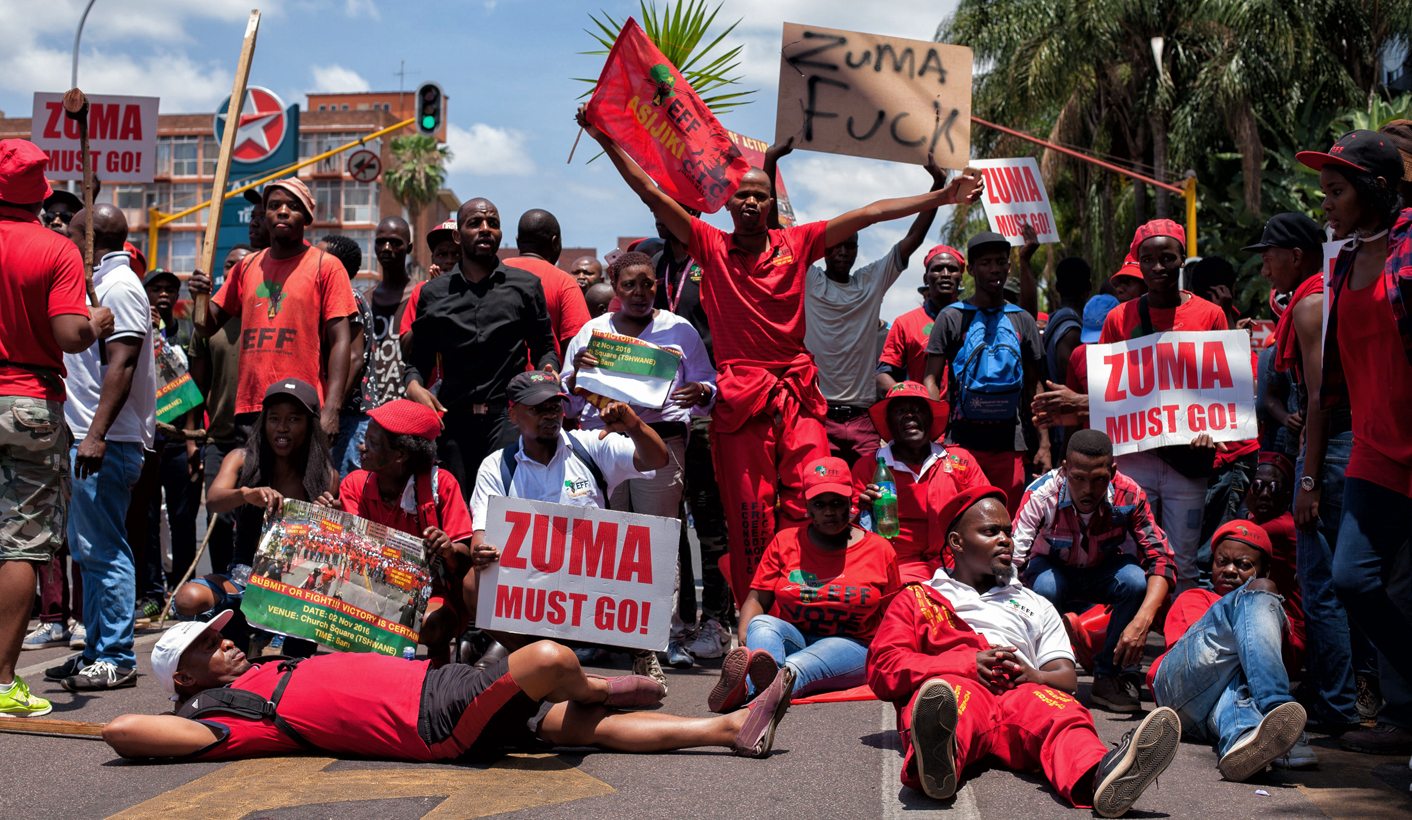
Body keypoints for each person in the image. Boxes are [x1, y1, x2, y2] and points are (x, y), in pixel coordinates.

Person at [580, 106, 984, 612]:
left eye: (759, 195)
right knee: (749, 515)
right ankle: (758, 617)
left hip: (796, 394)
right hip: (740, 401)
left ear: (771, 204)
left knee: (816, 492)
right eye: (742, 195)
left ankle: (810, 599)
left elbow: (873, 212)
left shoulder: (799, 241)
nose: (749, 201)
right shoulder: (710, 245)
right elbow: (651, 194)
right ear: (729, 205)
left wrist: (942, 196)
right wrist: (605, 137)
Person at [99, 612, 796, 762]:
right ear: (185, 678)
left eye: (220, 632)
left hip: (446, 686)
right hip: (433, 722)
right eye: (205, 646)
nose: (226, 640)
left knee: (580, 734)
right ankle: (597, 686)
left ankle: (724, 730)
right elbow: (120, 731)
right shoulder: (230, 707)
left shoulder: (267, 664)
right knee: (548, 657)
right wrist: (189, 709)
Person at [866, 485, 1181, 816]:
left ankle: (1102, 774)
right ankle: (938, 762)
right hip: (961, 686)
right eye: (990, 531)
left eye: (1007, 531)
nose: (1005, 539)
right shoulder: (917, 598)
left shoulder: (1036, 603)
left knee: (1063, 713)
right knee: (947, 701)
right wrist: (967, 662)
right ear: (957, 543)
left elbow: (1067, 679)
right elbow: (883, 666)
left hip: (1022, 693)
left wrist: (1035, 676)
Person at [1301, 129, 1412, 755]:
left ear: (1373, 188)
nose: (1326, 204)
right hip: (1373, 446)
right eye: (1324, 193)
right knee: (1352, 579)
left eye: (1336, 191)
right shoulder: (1341, 260)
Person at [560, 251, 716, 667]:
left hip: (659, 444)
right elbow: (569, 402)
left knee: (658, 540)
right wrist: (577, 373)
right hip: (601, 446)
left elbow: (708, 382)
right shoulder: (591, 333)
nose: (639, 292)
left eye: (647, 283)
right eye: (629, 284)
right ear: (614, 285)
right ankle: (603, 633)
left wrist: (701, 392)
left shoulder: (678, 330)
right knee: (604, 540)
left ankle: (665, 635)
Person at [468, 371, 670, 683]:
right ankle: (541, 665)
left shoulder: (591, 446)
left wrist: (633, 424)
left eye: (555, 406)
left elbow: (657, 458)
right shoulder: (497, 465)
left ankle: (640, 652)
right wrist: (481, 551)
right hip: (532, 590)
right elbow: (480, 535)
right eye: (538, 408)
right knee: (473, 583)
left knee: (640, 557)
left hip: (591, 591)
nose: (550, 415)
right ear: (513, 414)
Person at [1253, 211, 1368, 733]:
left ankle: (1336, 705)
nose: (1264, 268)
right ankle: (1345, 693)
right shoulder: (1324, 291)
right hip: (1344, 444)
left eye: (1268, 255)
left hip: (1332, 449)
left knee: (1320, 582)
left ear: (1295, 256)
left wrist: (1308, 478)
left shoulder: (1310, 302)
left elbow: (1320, 398)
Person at [0, 139, 99, 716]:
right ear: (39, 196)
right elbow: (69, 335)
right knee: (18, 545)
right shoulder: (54, 248)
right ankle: (4, 680)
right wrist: (95, 320)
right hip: (27, 400)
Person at [47, 204, 155, 693]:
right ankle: (95, 650)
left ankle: (116, 655)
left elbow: (123, 364)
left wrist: (95, 435)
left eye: (70, 232)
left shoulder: (121, 287)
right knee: (89, 550)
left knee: (106, 549)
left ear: (88, 238)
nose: (63, 239)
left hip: (106, 442)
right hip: (92, 439)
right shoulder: (99, 285)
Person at [787, 143, 950, 466]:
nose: (844, 252)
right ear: (823, 249)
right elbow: (776, 231)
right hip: (817, 412)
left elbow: (911, 240)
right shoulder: (809, 278)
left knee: (871, 498)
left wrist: (938, 187)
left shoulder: (870, 282)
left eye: (851, 246)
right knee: (821, 499)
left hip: (862, 417)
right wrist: (772, 160)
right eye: (836, 246)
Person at [1097, 220, 1228, 592]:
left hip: (1188, 459)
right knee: (1132, 557)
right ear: (1137, 262)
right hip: (1135, 457)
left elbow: (1221, 386)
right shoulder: (1117, 319)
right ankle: (1133, 638)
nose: (1158, 267)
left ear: (1182, 259)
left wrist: (1213, 429)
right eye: (1148, 258)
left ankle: (1179, 641)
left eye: (1167, 258)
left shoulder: (1210, 316)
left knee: (1184, 560)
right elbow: (1107, 390)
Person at [712, 456, 899, 708]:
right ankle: (757, 690)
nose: (829, 511)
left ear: (850, 502)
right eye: (820, 504)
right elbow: (756, 600)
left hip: (853, 647)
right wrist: (746, 640)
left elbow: (894, 617)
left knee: (796, 666)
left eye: (837, 503)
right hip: (797, 637)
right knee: (762, 624)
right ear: (808, 507)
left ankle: (748, 692)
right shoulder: (785, 541)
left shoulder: (880, 550)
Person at [1012, 429, 1176, 712]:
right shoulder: (1040, 495)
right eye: (1078, 478)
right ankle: (1049, 674)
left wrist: (1143, 620)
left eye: (1099, 479)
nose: (1088, 490)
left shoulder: (1130, 494)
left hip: (1102, 573)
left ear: (1112, 471)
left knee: (1135, 580)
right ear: (1064, 470)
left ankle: (1108, 676)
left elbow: (1160, 558)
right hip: (1051, 575)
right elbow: (1012, 563)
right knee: (1044, 586)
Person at [404, 198, 559, 496]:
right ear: (458, 236)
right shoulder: (433, 293)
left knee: (503, 506)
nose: (486, 229)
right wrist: (414, 386)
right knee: (458, 512)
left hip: (508, 419)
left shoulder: (525, 286)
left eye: (493, 223)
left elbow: (544, 347)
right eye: (475, 223)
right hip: (452, 421)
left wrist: (547, 372)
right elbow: (417, 362)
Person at [187, 178, 356, 441]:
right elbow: (206, 326)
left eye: (293, 206)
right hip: (251, 405)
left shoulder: (327, 266)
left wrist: (333, 407)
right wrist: (200, 297)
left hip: (302, 404)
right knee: (252, 482)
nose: (283, 211)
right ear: (265, 216)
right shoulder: (247, 267)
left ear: (307, 218)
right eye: (274, 205)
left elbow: (341, 340)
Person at [1149, 520, 1308, 781]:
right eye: (1222, 562)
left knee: (1237, 689)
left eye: (1244, 565)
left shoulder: (1270, 610)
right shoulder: (1196, 597)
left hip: (1213, 714)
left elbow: (1291, 659)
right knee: (1257, 602)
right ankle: (1281, 716)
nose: (1230, 570)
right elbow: (1202, 661)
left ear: (1265, 570)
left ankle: (1243, 739)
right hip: (1178, 695)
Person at [648, 200, 733, 661]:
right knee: (668, 520)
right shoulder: (649, 259)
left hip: (703, 405)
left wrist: (710, 387)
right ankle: (676, 622)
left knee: (709, 516)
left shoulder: (710, 260)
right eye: (656, 207)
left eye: (674, 207)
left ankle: (716, 620)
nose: (663, 216)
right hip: (655, 412)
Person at [337, 399, 475, 666]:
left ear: (400, 455)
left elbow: (465, 556)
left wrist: (447, 548)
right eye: (366, 439)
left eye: (373, 444)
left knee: (431, 625)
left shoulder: (441, 485)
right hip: (373, 588)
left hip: (431, 592)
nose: (362, 448)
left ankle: (437, 678)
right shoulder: (355, 485)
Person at [923, 231, 1049, 512]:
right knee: (963, 519)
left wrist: (1044, 444)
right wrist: (932, 437)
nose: (995, 269)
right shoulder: (952, 317)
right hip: (960, 443)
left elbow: (1034, 386)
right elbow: (930, 379)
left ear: (1008, 266)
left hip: (1010, 444)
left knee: (1008, 521)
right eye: (985, 262)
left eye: (1001, 262)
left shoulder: (1022, 319)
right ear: (970, 269)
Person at [851, 382, 988, 582]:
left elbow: (987, 510)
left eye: (918, 409)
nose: (910, 415)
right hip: (897, 565)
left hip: (956, 562)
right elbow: (848, 530)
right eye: (901, 411)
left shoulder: (960, 459)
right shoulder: (868, 466)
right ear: (889, 423)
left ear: (930, 419)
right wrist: (862, 510)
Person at [205, 380, 338, 576]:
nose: (282, 427)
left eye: (293, 419)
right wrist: (245, 494)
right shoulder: (240, 459)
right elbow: (213, 501)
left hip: (295, 579)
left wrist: (327, 518)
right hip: (245, 571)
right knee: (189, 598)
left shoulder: (327, 475)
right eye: (274, 418)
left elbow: (329, 547)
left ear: (310, 425)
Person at [138, 267, 202, 610]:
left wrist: (193, 441)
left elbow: (194, 388)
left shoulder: (187, 335)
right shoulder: (136, 329)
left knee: (182, 518)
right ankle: (150, 592)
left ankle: (182, 591)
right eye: (156, 288)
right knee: (146, 518)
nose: (163, 294)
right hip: (147, 438)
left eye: (170, 289)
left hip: (179, 439)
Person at [188, 244, 252, 576]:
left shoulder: (262, 313)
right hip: (219, 437)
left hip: (256, 434)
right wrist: (191, 438)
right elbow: (196, 386)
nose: (233, 273)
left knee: (254, 517)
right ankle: (219, 588)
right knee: (219, 518)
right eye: (229, 266)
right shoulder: (207, 324)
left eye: (241, 267)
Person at [317, 233, 375, 475]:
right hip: (343, 417)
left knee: (344, 499)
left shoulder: (347, 297)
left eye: (319, 257)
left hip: (349, 418)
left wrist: (332, 408)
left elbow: (354, 356)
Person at [877, 244, 964, 392]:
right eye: (937, 269)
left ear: (961, 277)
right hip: (926, 412)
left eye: (952, 269)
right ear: (925, 278)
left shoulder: (975, 319)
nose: (945, 274)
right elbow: (882, 375)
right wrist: (911, 398)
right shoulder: (905, 323)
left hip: (968, 413)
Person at [504, 208, 592, 355]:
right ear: (555, 241)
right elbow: (578, 346)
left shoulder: (493, 273)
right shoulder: (565, 283)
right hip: (546, 374)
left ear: (518, 241)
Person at [366, 217, 415, 408]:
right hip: (370, 410)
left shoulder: (421, 297)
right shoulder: (365, 300)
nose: (386, 248)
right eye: (380, 242)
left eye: (395, 243)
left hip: (406, 405)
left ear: (409, 248)